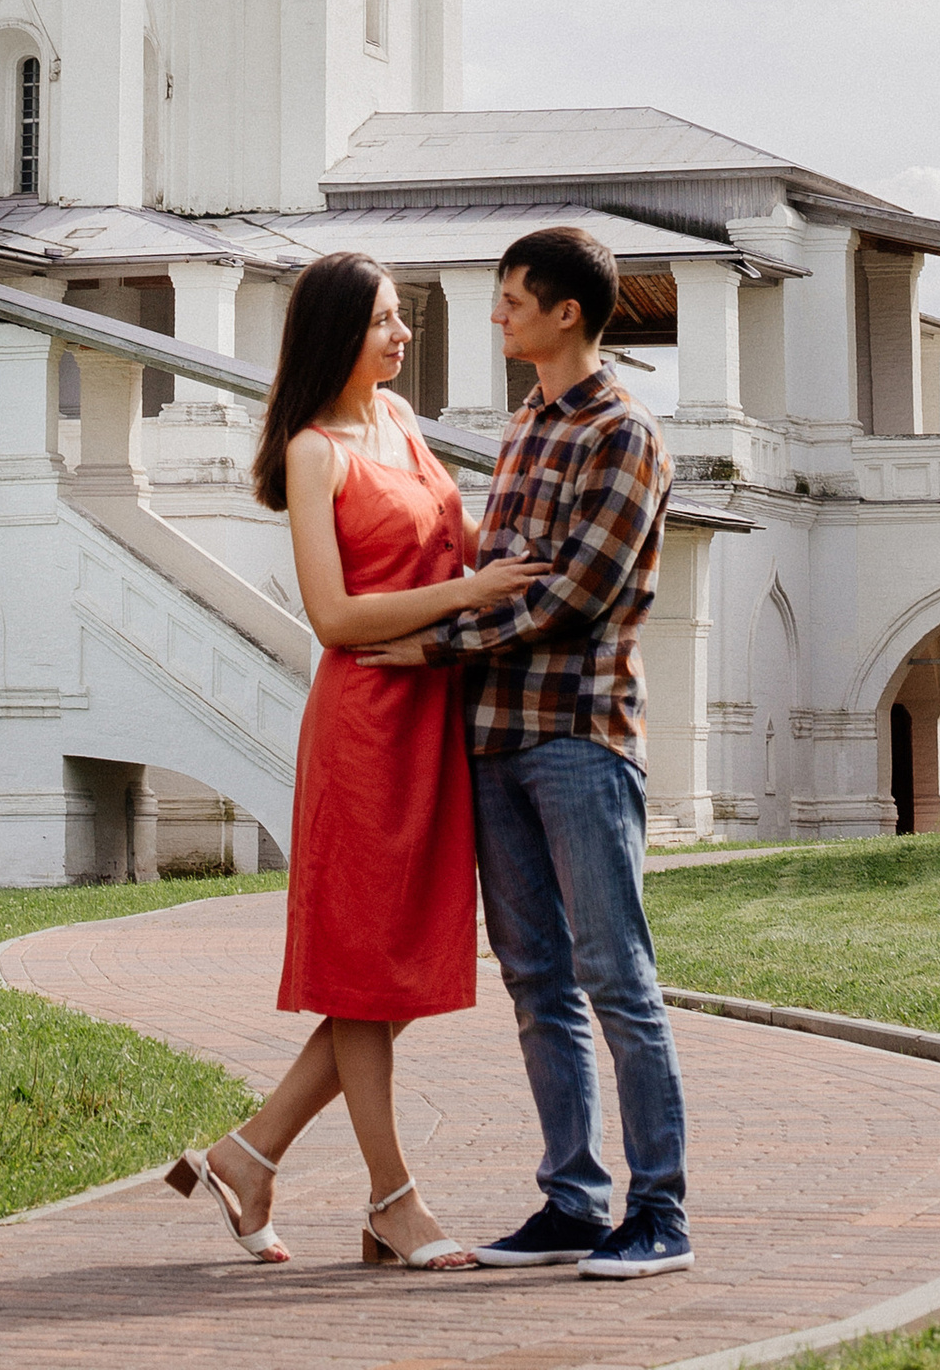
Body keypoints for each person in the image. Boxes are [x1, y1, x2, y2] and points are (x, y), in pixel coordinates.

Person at [166, 249, 528, 1272]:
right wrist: (467, 597)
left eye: (401, 317)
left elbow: (459, 550)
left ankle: (249, 1154)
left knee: (393, 971)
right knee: (370, 974)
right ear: (335, 332)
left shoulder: (404, 424)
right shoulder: (313, 449)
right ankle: (390, 1200)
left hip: (430, 717)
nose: (401, 336)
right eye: (382, 321)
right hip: (367, 724)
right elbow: (331, 615)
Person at [369, 221, 692, 1281]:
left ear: (565, 312)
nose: (496, 312)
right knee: (535, 980)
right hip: (494, 741)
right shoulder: (519, 429)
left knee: (616, 977)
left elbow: (572, 594)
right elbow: (499, 565)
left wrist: (434, 643)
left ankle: (659, 1215)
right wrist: (453, 621)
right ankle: (570, 1202)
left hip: (579, 740)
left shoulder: (625, 435)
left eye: (512, 298)